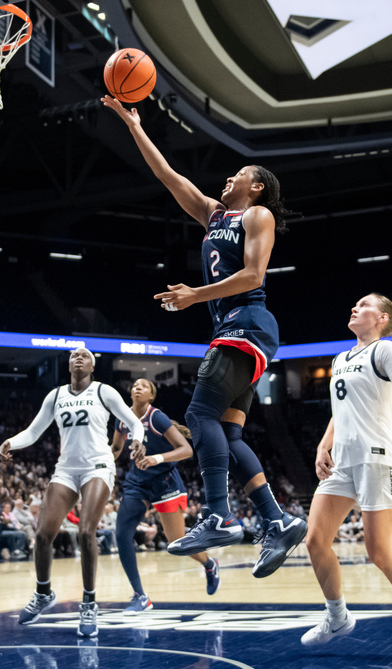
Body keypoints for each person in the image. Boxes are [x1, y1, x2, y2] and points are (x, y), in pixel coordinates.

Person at [102, 96, 306, 576]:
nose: (228, 177)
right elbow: (168, 176)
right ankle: (276, 522)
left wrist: (196, 294)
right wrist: (135, 125)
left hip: (246, 323)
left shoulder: (257, 216)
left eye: (238, 173)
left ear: (255, 187)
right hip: (238, 331)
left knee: (197, 413)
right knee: (229, 433)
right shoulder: (215, 214)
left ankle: (219, 514)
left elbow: (254, 275)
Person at [301, 293, 392, 659]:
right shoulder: (340, 359)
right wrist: (323, 445)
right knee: (315, 541)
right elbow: (340, 410)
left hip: (377, 460)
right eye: (354, 304)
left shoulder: (386, 351)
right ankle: (337, 616)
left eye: (364, 305)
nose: (354, 307)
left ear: (381, 317)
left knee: (379, 552)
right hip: (343, 463)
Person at [0, 347, 146, 638]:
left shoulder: (105, 391)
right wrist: (11, 443)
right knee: (42, 534)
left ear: (92, 366)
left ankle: (89, 603)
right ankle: (43, 593)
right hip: (66, 469)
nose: (78, 357)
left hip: (98, 466)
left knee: (86, 533)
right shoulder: (55, 396)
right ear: (69, 367)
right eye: (73, 356)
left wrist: (138, 440)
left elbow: (133, 423)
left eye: (84, 356)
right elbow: (33, 432)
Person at [110, 378, 220, 613]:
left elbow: (186, 450)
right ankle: (140, 596)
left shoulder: (156, 417)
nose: (137, 387)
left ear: (150, 396)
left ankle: (209, 564)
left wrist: (156, 458)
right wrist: (103, 461)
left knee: (176, 543)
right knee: (121, 533)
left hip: (165, 482)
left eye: (144, 386)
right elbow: (117, 448)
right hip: (137, 483)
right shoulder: (122, 417)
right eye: (134, 385)